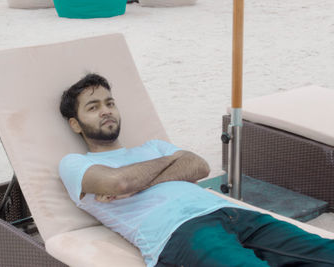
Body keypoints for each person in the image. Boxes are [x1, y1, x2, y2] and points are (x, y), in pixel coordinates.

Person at [58, 73, 334, 267]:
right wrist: (165, 167)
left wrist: (137, 182)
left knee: (326, 252)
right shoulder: (74, 164)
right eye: (93, 107)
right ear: (75, 124)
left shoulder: (153, 147)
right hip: (179, 233)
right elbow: (118, 184)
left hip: (234, 214)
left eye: (110, 103)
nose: (106, 111)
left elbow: (199, 166)